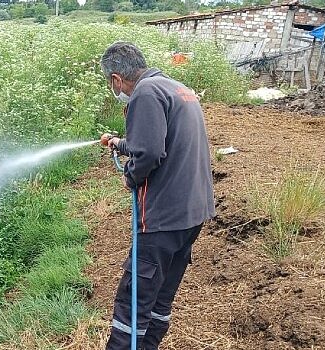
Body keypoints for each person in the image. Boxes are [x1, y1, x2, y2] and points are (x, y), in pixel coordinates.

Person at [99, 42, 216, 350]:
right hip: (191, 214)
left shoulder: (145, 93)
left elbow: (150, 152)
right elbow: (160, 139)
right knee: (160, 299)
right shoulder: (176, 88)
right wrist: (118, 142)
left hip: (162, 218)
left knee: (133, 303)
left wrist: (130, 176)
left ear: (116, 79)